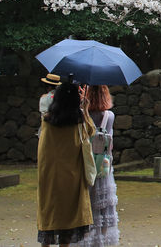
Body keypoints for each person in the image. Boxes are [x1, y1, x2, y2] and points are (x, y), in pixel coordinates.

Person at [37, 79, 95, 246]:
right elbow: (91, 131)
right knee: (69, 218)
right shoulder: (78, 122)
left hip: (50, 175)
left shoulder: (47, 121)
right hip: (72, 177)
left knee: (49, 212)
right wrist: (85, 109)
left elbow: (43, 150)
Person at [78, 85, 120, 247]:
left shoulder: (82, 114)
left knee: (86, 202)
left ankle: (85, 238)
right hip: (103, 165)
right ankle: (102, 240)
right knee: (103, 205)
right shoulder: (109, 116)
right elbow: (111, 143)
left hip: (85, 163)